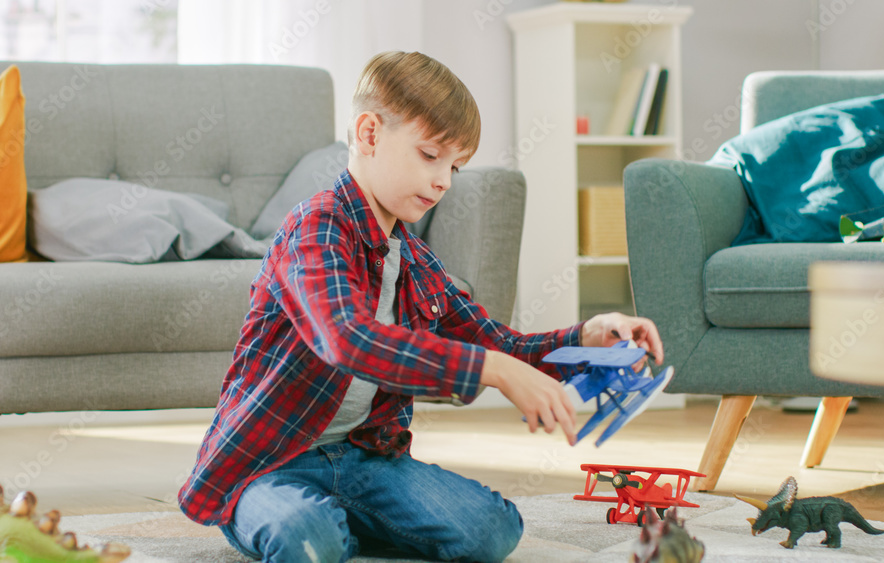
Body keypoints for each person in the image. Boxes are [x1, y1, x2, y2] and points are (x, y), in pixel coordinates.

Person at [178, 51, 664, 562]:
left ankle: (342, 519)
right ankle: (293, 518)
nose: (444, 182)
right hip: (271, 461)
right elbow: (345, 338)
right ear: (369, 134)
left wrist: (590, 334)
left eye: (455, 166)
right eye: (430, 155)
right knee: (308, 539)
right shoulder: (316, 228)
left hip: (366, 459)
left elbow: (500, 346)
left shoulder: (413, 257)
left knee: (493, 530)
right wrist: (491, 369)